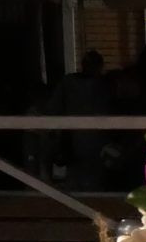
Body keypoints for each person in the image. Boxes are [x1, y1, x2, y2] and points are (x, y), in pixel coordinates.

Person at [33, 49, 110, 182]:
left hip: (97, 142)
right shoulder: (69, 83)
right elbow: (54, 108)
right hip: (76, 140)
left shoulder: (105, 85)